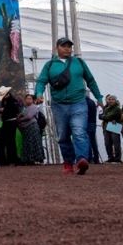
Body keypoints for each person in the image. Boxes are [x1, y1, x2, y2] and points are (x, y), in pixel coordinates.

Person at [36, 37, 103, 175]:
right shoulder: (49, 65)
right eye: (63, 46)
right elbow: (41, 81)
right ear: (57, 48)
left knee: (79, 131)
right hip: (59, 105)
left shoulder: (79, 62)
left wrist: (99, 97)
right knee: (63, 136)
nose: (67, 48)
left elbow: (90, 80)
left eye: (69, 46)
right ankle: (68, 162)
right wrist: (38, 93)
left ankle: (82, 160)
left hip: (78, 103)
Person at [18, 93, 45, 165]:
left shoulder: (34, 107)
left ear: (33, 100)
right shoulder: (25, 108)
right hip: (26, 128)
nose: (28, 100)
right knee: (27, 143)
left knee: (35, 143)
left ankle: (38, 159)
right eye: (27, 99)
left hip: (33, 127)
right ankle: (29, 159)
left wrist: (20, 119)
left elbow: (29, 116)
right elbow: (21, 115)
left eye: (30, 99)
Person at [0, 86, 20, 166]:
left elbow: (16, 110)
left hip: (12, 122)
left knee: (11, 142)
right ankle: (3, 161)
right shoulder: (4, 101)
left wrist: (5, 110)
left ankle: (13, 160)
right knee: (2, 142)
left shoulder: (13, 101)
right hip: (5, 123)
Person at [99, 95, 123, 163]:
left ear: (115, 100)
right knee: (107, 143)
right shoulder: (106, 108)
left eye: (112, 99)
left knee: (116, 143)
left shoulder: (117, 108)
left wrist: (104, 116)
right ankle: (110, 157)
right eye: (109, 99)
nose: (111, 100)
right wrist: (105, 117)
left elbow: (108, 116)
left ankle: (117, 158)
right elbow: (100, 116)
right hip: (106, 127)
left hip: (115, 126)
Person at [86, 95, 101, 164]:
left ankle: (89, 158)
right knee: (93, 141)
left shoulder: (84, 102)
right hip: (93, 123)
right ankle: (96, 158)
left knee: (87, 141)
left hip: (87, 123)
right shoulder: (92, 102)